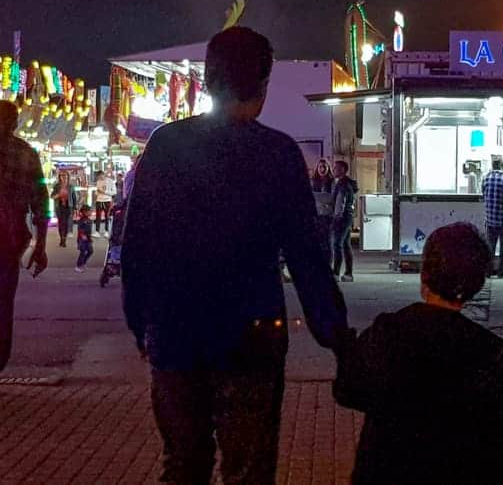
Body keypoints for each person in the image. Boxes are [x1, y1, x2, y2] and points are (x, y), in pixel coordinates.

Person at [121, 27, 348, 484]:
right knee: (248, 470)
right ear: (263, 86)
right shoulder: (278, 154)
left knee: (182, 465)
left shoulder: (166, 145)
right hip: (251, 337)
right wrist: (336, 336)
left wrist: (139, 323)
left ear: (206, 81)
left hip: (175, 331)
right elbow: (307, 257)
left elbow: (137, 244)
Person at [334, 222, 503, 485]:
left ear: (425, 273)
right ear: (477, 284)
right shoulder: (494, 354)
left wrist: (344, 347)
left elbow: (349, 390)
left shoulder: (389, 332)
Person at [0, 100, 49, 372]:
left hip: (9, 242)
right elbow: (41, 204)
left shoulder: (26, 154)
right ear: (15, 123)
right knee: (3, 304)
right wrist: (40, 246)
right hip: (9, 243)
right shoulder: (25, 154)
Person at [331, 160, 358, 282]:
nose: (333, 170)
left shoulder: (343, 185)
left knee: (337, 244)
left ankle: (335, 273)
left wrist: (336, 217)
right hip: (348, 217)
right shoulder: (347, 184)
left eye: (336, 168)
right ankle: (348, 273)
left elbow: (340, 203)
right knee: (346, 245)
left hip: (342, 218)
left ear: (342, 169)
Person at [51, 171, 78, 247]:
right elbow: (52, 196)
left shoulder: (71, 186)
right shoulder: (56, 186)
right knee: (60, 223)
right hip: (59, 206)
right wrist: (58, 195)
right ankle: (61, 238)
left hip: (68, 206)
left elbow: (74, 198)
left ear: (68, 177)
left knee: (66, 223)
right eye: (62, 176)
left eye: (65, 176)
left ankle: (64, 239)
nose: (64, 177)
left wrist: (75, 208)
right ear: (59, 177)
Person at [94, 169, 114, 237]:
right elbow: (97, 190)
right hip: (99, 200)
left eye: (100, 176)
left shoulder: (110, 181)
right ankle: (97, 231)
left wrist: (105, 192)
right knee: (98, 217)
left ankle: (107, 231)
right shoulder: (98, 182)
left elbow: (114, 192)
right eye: (98, 177)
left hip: (107, 200)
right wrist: (97, 193)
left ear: (103, 174)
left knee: (107, 216)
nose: (100, 178)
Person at [74, 205, 93, 273]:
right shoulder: (81, 220)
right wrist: (82, 235)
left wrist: (90, 237)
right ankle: (78, 266)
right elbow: (80, 229)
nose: (90, 212)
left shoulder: (89, 220)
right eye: (89, 211)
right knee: (82, 252)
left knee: (90, 251)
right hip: (82, 239)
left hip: (88, 239)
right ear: (84, 212)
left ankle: (83, 263)